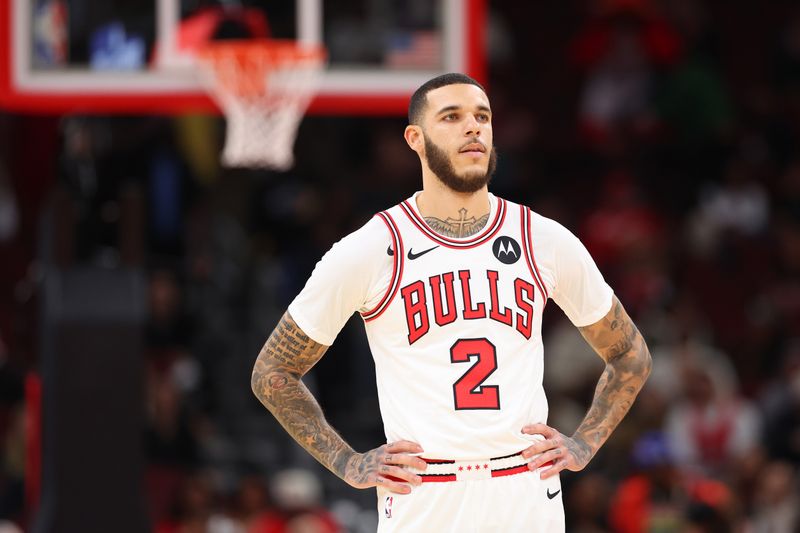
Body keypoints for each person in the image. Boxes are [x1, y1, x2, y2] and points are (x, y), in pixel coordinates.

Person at [251, 73, 652, 532]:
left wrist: (584, 444)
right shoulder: (373, 248)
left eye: (483, 116)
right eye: (452, 117)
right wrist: (347, 462)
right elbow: (272, 372)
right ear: (415, 138)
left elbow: (629, 354)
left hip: (524, 492)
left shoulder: (543, 240)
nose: (473, 128)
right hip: (424, 496)